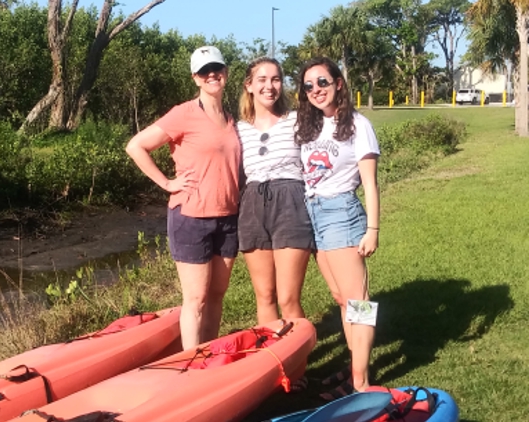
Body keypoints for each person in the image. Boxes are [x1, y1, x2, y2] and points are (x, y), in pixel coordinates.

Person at [126, 46, 240, 350]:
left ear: (226, 72)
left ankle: (209, 353)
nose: (212, 75)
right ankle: (191, 362)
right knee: (196, 299)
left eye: (217, 68)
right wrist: (166, 182)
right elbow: (136, 146)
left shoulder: (231, 118)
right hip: (191, 217)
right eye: (205, 71)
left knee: (216, 296)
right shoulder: (184, 114)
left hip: (228, 218)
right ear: (196, 78)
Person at [295, 57, 380, 400]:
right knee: (341, 299)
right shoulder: (310, 126)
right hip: (314, 212)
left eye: (323, 82)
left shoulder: (359, 125)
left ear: (339, 83)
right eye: (309, 86)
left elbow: (370, 184)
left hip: (342, 212)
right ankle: (355, 368)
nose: (316, 90)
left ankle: (360, 383)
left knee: (359, 302)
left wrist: (372, 228)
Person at [237, 57, 314, 326]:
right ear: (249, 86)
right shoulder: (238, 129)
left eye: (276, 79)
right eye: (262, 79)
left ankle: (298, 365)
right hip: (252, 205)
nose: (269, 86)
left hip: (290, 202)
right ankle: (273, 363)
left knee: (288, 298)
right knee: (265, 295)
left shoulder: (296, 120)